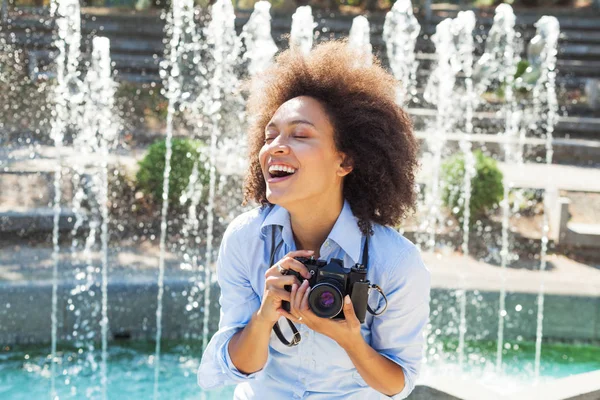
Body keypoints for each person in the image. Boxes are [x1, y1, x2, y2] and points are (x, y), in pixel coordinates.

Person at [197, 40, 430, 400]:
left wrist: (349, 339)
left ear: (345, 162)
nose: (275, 146)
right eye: (269, 134)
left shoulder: (396, 260)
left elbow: (397, 384)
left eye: (300, 134)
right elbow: (235, 367)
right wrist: (264, 317)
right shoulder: (245, 238)